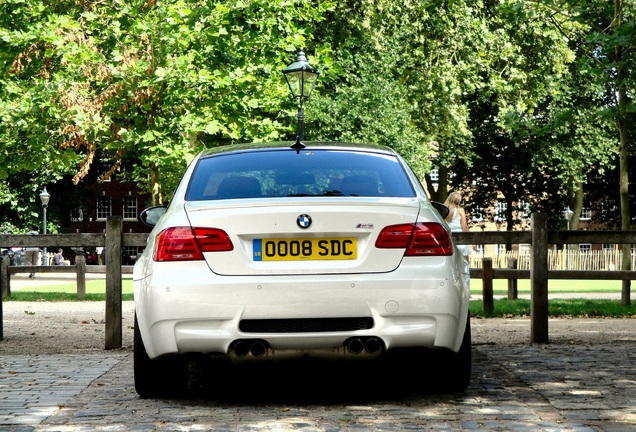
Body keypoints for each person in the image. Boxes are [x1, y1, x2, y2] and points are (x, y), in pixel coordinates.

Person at [443, 191, 474, 263]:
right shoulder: (460, 211)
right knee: (465, 262)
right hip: (460, 238)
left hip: (448, 238)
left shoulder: (444, 211)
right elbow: (465, 227)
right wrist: (472, 242)